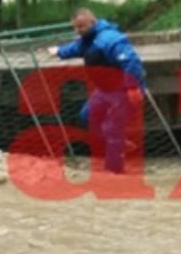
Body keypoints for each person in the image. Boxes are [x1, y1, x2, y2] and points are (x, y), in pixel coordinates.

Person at [47, 9, 146, 175]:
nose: (78, 31)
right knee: (87, 116)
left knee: (112, 127)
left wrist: (133, 88)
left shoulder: (110, 39)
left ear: (92, 23)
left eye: (81, 27)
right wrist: (59, 51)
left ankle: (114, 170)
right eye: (75, 28)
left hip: (123, 89)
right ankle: (120, 145)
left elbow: (131, 62)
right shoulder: (86, 39)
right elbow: (75, 48)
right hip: (105, 89)